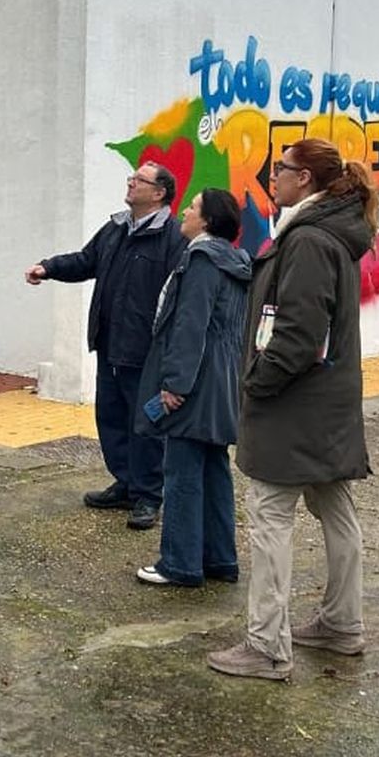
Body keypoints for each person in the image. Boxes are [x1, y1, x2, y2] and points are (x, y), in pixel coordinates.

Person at [207, 137, 379, 681]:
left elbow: (298, 332)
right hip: (324, 405)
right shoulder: (332, 234)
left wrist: (257, 384)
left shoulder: (308, 239)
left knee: (270, 515)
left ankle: (266, 646)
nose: (272, 176)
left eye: (279, 169)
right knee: (334, 507)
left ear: (304, 179)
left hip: (293, 403)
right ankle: (341, 624)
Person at [27, 162, 185, 530]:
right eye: (132, 178)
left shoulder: (173, 238)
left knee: (145, 424)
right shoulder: (115, 229)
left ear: (159, 193)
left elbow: (180, 297)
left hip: (144, 350)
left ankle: (148, 495)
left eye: (139, 180)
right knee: (111, 418)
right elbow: (86, 261)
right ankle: (125, 483)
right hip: (110, 343)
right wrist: (47, 268)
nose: (130, 183)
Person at [131, 188, 253, 587]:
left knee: (181, 471)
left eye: (194, 207)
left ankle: (180, 563)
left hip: (196, 384)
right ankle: (219, 558)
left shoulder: (202, 259)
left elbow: (190, 325)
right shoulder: (235, 260)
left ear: (208, 221)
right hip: (223, 380)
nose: (185, 211)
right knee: (215, 471)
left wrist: (175, 384)